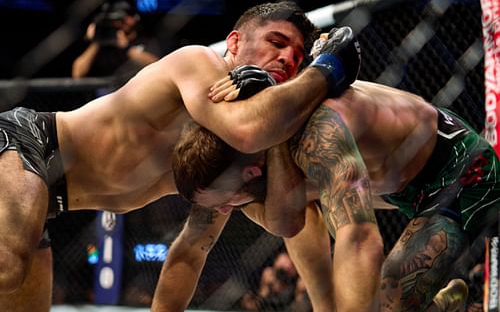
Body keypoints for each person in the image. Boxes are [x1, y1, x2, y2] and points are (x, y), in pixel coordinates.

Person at [0, 1, 366, 311]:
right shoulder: (198, 63)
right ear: (234, 42)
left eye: (298, 56)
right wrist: (325, 69)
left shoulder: (233, 155)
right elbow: (247, 126)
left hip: (49, 199)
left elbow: (194, 249)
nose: (287, 58)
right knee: (7, 267)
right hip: (29, 144)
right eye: (276, 42)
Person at [163, 70, 499, 311]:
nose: (224, 211)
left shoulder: (316, 137)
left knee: (385, 299)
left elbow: (357, 236)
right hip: (402, 184)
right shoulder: (256, 157)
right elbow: (292, 223)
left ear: (249, 171)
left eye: (226, 202)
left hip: (460, 170)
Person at [71, 0, 160, 79]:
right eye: (116, 20)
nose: (119, 23)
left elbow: (156, 66)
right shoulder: (103, 45)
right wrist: (97, 41)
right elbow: (77, 74)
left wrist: (126, 48)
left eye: (124, 18)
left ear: (134, 18)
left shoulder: (145, 40)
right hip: (108, 93)